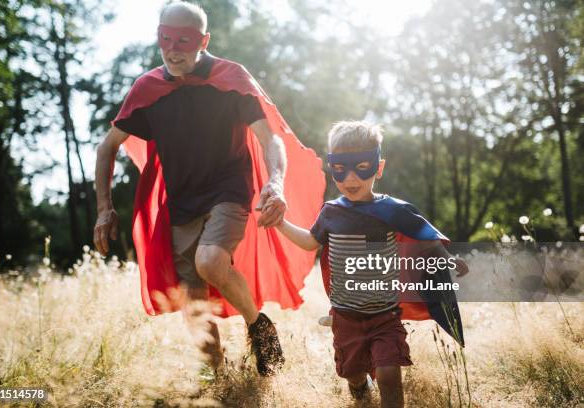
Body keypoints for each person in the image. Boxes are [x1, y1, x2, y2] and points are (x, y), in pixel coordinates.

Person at [93, 2, 325, 376]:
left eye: (184, 40)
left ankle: (259, 328)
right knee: (192, 300)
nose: (173, 48)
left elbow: (271, 140)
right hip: (182, 202)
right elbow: (108, 146)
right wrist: (105, 207)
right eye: (165, 39)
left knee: (211, 261)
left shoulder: (230, 77)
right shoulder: (148, 88)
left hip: (229, 190)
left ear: (204, 41)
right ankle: (218, 379)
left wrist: (276, 181)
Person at [273, 121, 468, 406]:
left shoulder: (393, 210)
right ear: (332, 167)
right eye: (341, 169)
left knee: (389, 375)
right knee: (352, 372)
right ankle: (359, 387)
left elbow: (426, 240)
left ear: (378, 167)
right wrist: (280, 223)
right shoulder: (331, 213)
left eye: (361, 167)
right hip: (346, 316)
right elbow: (310, 242)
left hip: (385, 315)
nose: (351, 178)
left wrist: (448, 260)